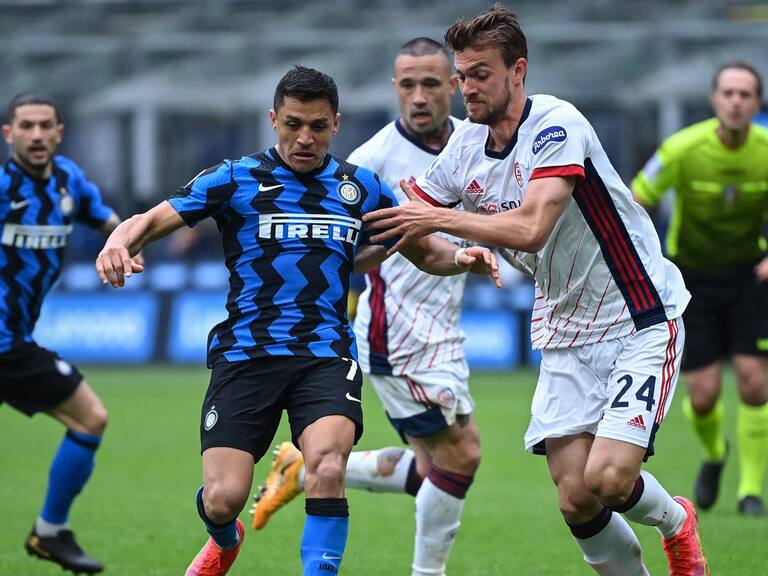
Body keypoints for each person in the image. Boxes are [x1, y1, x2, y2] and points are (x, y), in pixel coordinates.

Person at [95, 66, 499, 576]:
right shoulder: (236, 178)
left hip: (325, 354)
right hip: (246, 354)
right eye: (292, 125)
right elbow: (152, 219)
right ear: (273, 120)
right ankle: (225, 537)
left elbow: (423, 250)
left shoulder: (361, 187)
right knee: (223, 498)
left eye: (317, 126)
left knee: (328, 467)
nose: (304, 138)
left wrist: (462, 259)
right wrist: (117, 242)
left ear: (336, 124)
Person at [364, 5, 710, 575]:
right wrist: (428, 256)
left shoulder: (556, 125)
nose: (465, 87)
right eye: (462, 74)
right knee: (576, 497)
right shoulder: (464, 150)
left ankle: (676, 522)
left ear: (518, 71)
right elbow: (410, 233)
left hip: (639, 316)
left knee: (608, 478)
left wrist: (441, 222)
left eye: (480, 74)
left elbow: (530, 227)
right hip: (565, 330)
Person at [249, 38, 479, 576]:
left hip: (444, 322)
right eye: (407, 85)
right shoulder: (371, 162)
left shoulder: (473, 142)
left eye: (430, 83)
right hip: (394, 328)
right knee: (461, 456)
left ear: (454, 85)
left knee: (433, 470)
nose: (419, 96)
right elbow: (335, 252)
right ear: (394, 89)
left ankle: (304, 470)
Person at [632, 62, 768, 516]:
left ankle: (750, 491)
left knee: (754, 383)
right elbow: (637, 200)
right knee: (705, 395)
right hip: (692, 281)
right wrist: (649, 262)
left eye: (745, 94)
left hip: (751, 276)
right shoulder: (683, 148)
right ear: (714, 99)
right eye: (728, 92)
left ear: (756, 103)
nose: (735, 101)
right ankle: (714, 456)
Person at [0, 93, 126, 574]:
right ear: (9, 135)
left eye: (44, 126)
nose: (36, 135)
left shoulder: (69, 180)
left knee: (90, 419)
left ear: (59, 132)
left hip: (13, 346)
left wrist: (125, 243)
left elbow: (106, 220)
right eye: (26, 126)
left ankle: (50, 533)